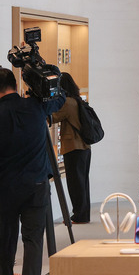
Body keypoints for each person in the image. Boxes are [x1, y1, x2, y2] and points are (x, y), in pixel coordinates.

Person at [0, 66, 65, 275]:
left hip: (5, 187)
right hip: (36, 185)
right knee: (34, 240)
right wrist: (39, 68)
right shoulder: (36, 106)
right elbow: (60, 97)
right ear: (17, 85)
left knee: (5, 240)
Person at [51, 73, 92, 224]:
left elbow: (53, 117)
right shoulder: (78, 100)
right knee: (82, 183)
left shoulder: (68, 102)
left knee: (75, 184)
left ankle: (79, 215)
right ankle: (83, 213)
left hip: (74, 148)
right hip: (84, 148)